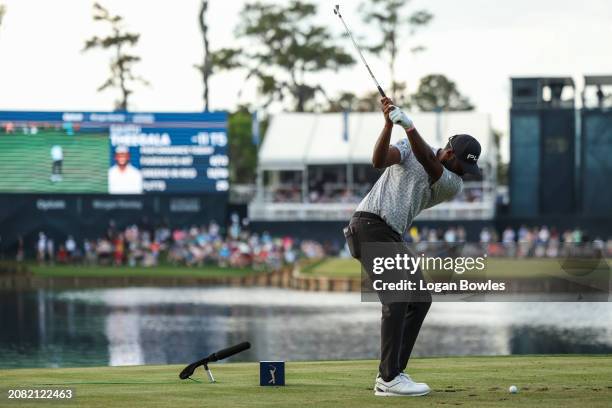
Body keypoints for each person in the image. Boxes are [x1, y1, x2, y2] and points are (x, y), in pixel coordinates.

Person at [345, 97, 482, 397]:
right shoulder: (410, 146)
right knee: (396, 297)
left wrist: (408, 126)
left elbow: (429, 164)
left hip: (388, 234)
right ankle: (389, 378)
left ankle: (394, 372)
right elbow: (378, 160)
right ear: (449, 152)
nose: (463, 174)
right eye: (461, 164)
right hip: (369, 226)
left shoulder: (451, 182)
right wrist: (387, 125)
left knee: (419, 299)